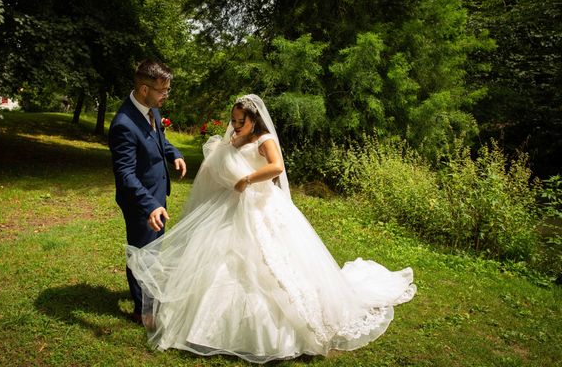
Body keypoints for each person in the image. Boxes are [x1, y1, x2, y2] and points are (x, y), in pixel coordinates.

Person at [127, 94, 416, 363]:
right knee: (222, 259)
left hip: (261, 205)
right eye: (234, 120)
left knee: (271, 263)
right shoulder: (237, 137)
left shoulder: (264, 138)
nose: (236, 125)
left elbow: (277, 167)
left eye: (242, 121)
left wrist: (248, 179)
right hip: (232, 205)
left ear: (255, 119)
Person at [109, 59, 187, 325]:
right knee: (141, 254)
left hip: (157, 195)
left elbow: (159, 139)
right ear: (144, 89)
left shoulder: (151, 110)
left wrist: (173, 153)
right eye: (162, 90)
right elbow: (125, 175)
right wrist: (149, 205)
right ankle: (143, 312)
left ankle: (148, 300)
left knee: (152, 252)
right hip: (140, 200)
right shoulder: (123, 124)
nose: (166, 95)